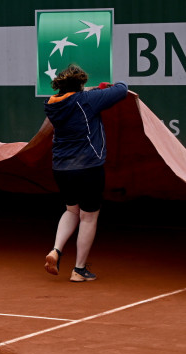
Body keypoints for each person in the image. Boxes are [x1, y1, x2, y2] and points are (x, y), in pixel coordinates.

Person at [42, 65, 128, 282]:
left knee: (71, 211)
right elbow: (122, 89)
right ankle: (79, 270)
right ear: (80, 85)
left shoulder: (53, 104)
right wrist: (99, 89)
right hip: (88, 167)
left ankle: (56, 250)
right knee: (88, 217)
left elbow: (74, 98)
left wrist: (87, 91)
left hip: (61, 168)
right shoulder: (87, 100)